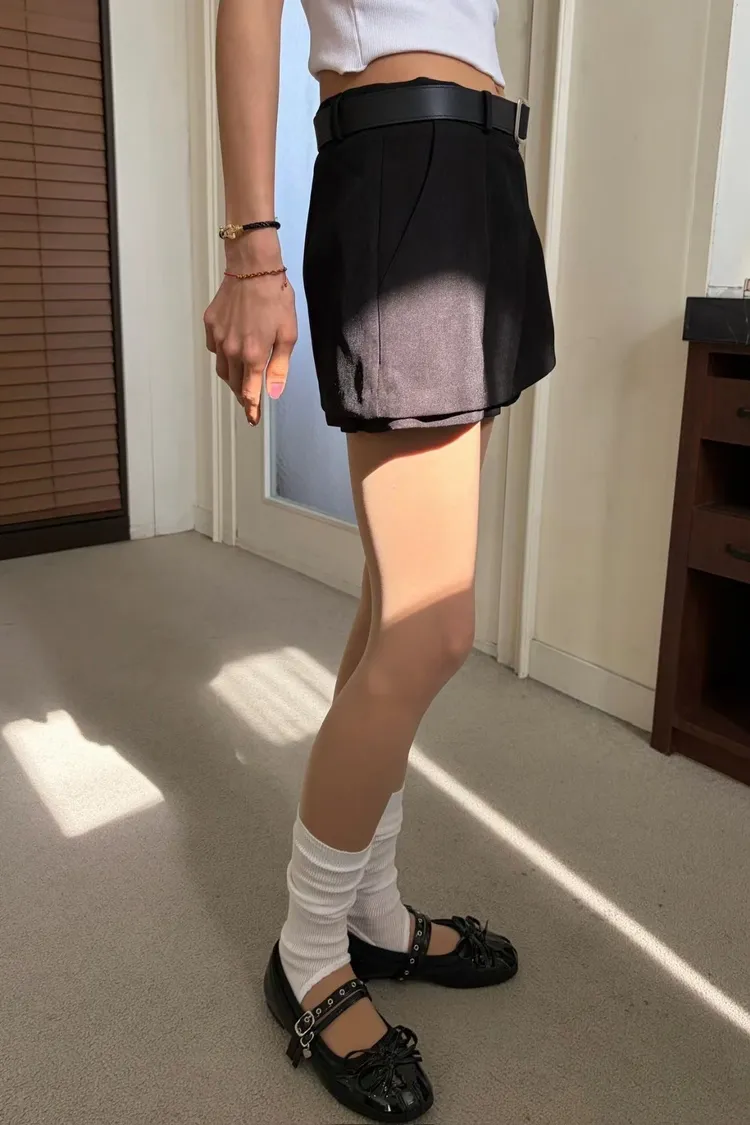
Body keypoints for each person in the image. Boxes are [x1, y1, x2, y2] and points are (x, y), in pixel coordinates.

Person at [203, 1, 555, 1120]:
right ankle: (309, 951)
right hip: (406, 162)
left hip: (483, 169)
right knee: (432, 628)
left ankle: (373, 913)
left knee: (391, 599)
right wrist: (252, 246)